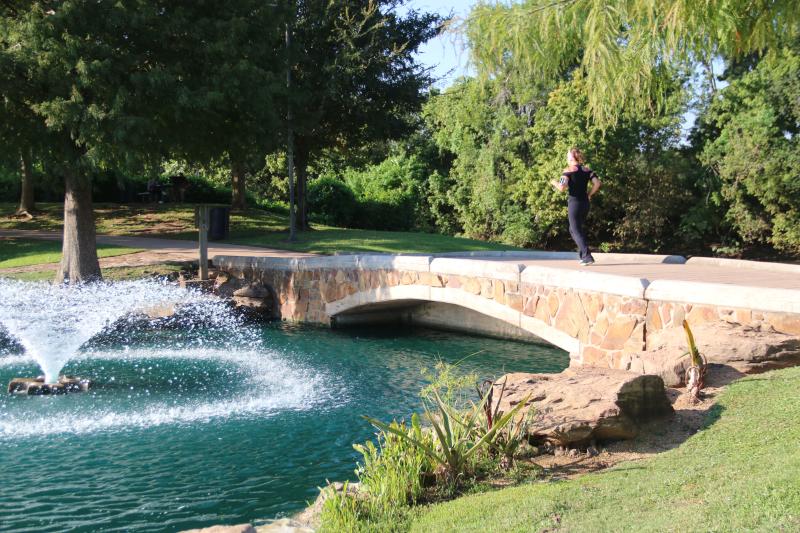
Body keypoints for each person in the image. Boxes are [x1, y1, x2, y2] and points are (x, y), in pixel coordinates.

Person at [550, 147, 601, 266]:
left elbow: (562, 187)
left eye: (568, 155)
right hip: (585, 203)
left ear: (572, 157)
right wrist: (589, 194)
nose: (567, 157)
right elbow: (597, 183)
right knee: (574, 229)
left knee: (575, 230)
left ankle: (587, 256)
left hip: (575, 204)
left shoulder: (568, 170)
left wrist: (553, 182)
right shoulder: (587, 170)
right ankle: (583, 255)